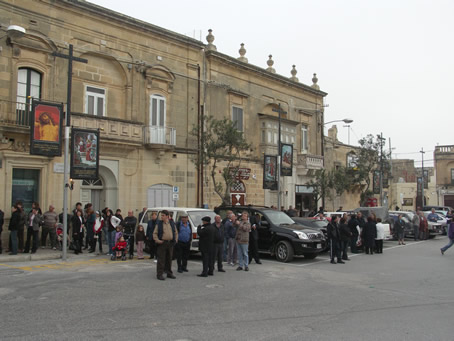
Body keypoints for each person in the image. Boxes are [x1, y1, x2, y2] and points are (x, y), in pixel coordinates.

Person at [153, 210, 178, 280]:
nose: (162, 217)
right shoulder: (159, 224)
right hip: (162, 243)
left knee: (169, 259)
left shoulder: (172, 223)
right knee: (161, 259)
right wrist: (158, 240)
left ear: (167, 216)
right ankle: (159, 274)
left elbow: (176, 232)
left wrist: (175, 240)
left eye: (163, 215)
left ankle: (169, 273)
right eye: (161, 215)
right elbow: (155, 233)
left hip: (170, 243)